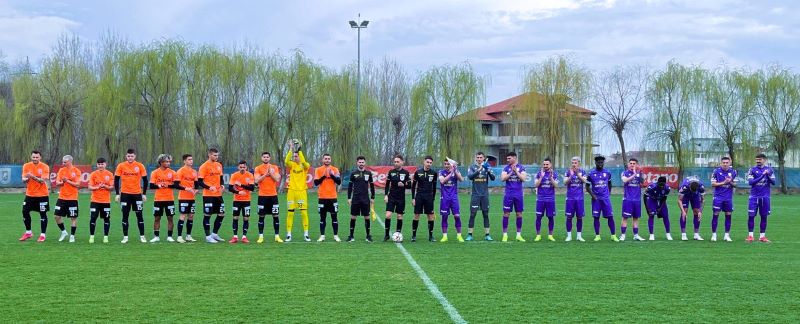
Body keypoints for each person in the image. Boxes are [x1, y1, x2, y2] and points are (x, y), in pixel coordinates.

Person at [115, 148, 148, 243]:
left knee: (139, 215)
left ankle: (142, 236)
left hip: (137, 194)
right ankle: (125, 237)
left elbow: (145, 180)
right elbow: (116, 180)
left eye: (132, 156)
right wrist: (117, 194)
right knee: (125, 215)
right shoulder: (121, 165)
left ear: (135, 156)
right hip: (125, 194)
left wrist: (144, 194)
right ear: (126, 156)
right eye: (128, 156)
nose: (130, 158)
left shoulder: (140, 166)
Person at [149, 154, 184, 243]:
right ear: (161, 162)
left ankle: (169, 236)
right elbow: (151, 186)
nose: (168, 163)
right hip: (158, 199)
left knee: (170, 218)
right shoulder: (155, 172)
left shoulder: (172, 172)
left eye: (169, 161)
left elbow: (176, 185)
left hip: (169, 199)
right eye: (166, 161)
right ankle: (156, 236)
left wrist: (167, 185)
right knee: (157, 218)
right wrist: (159, 185)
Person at [19, 150, 50, 242]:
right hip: (30, 194)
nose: (35, 159)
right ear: (31, 157)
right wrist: (26, 178)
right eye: (33, 157)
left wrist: (32, 176)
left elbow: (42, 180)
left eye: (37, 157)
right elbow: (24, 179)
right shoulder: (26, 166)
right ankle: (28, 232)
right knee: (24, 211)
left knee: (43, 214)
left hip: (42, 195)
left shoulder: (45, 167)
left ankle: (42, 235)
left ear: (40, 158)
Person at [586, 155, 618, 242]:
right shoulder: (591, 173)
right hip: (596, 200)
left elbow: (610, 184)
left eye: (601, 162)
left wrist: (608, 194)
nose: (600, 164)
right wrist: (593, 196)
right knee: (596, 217)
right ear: (595, 163)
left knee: (610, 217)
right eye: (598, 162)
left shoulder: (607, 173)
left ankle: (613, 235)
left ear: (603, 163)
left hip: (605, 199)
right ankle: (597, 235)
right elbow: (587, 187)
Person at [285, 140, 311, 242]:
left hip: (301, 192)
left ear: (300, 156)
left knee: (304, 213)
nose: (295, 158)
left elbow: (304, 162)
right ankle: (288, 234)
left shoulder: (305, 166)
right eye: (294, 156)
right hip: (291, 191)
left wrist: (299, 149)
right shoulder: (292, 165)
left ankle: (306, 234)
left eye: (297, 156)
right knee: (290, 213)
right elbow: (286, 161)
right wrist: (291, 148)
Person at [198, 148, 226, 243]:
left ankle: (214, 234)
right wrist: (209, 187)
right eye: (214, 155)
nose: (216, 157)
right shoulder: (204, 166)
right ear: (209, 155)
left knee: (221, 214)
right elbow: (200, 182)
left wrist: (222, 185)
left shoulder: (219, 165)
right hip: (208, 195)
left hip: (218, 194)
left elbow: (221, 178)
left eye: (217, 155)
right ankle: (208, 236)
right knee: (208, 215)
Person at [254, 152, 283, 243]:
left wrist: (271, 173)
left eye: (267, 157)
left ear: (270, 158)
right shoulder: (258, 168)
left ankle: (277, 236)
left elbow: (277, 179)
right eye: (264, 157)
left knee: (275, 216)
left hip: (273, 196)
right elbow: (256, 180)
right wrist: (265, 175)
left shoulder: (274, 167)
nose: (266, 158)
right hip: (262, 196)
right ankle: (261, 236)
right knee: (261, 216)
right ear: (261, 158)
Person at [746, 153, 775, 243]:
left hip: (765, 197)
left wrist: (768, 176)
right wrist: (762, 175)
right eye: (757, 159)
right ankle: (750, 236)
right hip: (754, 197)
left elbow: (773, 182)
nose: (758, 161)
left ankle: (762, 236)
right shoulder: (752, 170)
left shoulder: (769, 170)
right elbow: (751, 182)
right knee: (751, 216)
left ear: (764, 160)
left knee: (764, 216)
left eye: (760, 159)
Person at [466, 152, 495, 241]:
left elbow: (493, 178)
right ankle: (470, 234)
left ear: (483, 158)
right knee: (472, 214)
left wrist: (488, 170)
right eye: (477, 157)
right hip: (475, 195)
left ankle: (487, 235)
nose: (479, 159)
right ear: (476, 158)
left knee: (485, 214)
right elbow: (470, 177)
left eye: (480, 157)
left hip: (484, 195)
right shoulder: (472, 167)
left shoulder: (487, 167)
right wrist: (478, 170)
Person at [313, 154, 342, 242]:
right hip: (322, 197)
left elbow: (339, 181)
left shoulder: (335, 169)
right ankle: (322, 235)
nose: (327, 160)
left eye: (329, 159)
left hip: (332, 197)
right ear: (323, 160)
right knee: (322, 217)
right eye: (325, 159)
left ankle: (336, 235)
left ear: (331, 160)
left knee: (334, 217)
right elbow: (316, 183)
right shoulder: (318, 170)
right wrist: (324, 176)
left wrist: (332, 175)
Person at [500, 152, 527, 242]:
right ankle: (505, 235)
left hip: (518, 194)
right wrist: (511, 172)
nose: (507, 160)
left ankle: (518, 235)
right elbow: (503, 178)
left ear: (514, 158)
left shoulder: (521, 168)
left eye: (509, 158)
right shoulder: (506, 168)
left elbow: (523, 179)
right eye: (507, 158)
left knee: (519, 214)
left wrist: (516, 172)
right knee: (506, 213)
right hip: (508, 194)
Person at [347, 156, 375, 242]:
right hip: (355, 198)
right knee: (353, 217)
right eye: (360, 162)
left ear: (365, 163)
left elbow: (372, 186)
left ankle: (368, 236)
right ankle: (351, 236)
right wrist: (349, 198)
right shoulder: (353, 173)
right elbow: (350, 186)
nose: (361, 164)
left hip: (365, 198)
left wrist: (372, 197)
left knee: (367, 217)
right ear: (357, 163)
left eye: (362, 162)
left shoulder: (368, 173)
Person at [383, 154, 411, 241]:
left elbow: (409, 185)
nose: (395, 163)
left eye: (397, 162)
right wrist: (386, 195)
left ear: (402, 162)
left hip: (401, 198)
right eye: (394, 162)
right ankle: (386, 235)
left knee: (399, 216)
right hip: (391, 197)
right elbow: (387, 185)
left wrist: (404, 185)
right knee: (388, 215)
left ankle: (398, 234)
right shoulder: (391, 172)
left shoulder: (406, 173)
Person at [54, 155, 81, 242]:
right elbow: (57, 183)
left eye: (65, 162)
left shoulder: (76, 171)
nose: (63, 163)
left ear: (70, 161)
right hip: (62, 197)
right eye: (63, 162)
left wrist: (67, 181)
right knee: (56, 216)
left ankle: (72, 236)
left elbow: (78, 184)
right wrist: (62, 182)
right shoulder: (61, 170)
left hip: (72, 198)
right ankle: (64, 231)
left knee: (73, 218)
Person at [710, 156, 737, 242]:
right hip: (718, 197)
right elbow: (713, 184)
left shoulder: (733, 172)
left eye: (727, 163)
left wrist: (730, 182)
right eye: (723, 163)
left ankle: (727, 235)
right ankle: (714, 235)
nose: (725, 164)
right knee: (715, 215)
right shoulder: (716, 171)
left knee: (728, 215)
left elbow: (735, 185)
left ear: (730, 163)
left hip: (728, 198)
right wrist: (724, 182)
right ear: (721, 163)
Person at [411, 156, 437, 242]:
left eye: (430, 163)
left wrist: (432, 198)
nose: (429, 164)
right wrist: (413, 198)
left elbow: (434, 187)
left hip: (429, 197)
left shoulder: (434, 173)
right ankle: (414, 235)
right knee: (416, 215)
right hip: (419, 196)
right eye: (427, 162)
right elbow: (413, 186)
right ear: (424, 162)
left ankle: (431, 236)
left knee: (430, 216)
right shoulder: (418, 172)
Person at [88, 158, 114, 243]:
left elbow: (111, 188)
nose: (100, 166)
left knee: (106, 219)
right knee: (93, 218)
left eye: (102, 164)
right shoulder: (93, 174)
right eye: (99, 164)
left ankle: (105, 237)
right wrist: (97, 187)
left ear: (105, 164)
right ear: (97, 165)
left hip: (106, 201)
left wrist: (105, 186)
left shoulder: (109, 174)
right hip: (95, 201)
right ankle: (92, 237)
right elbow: (90, 187)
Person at [228, 160, 255, 243]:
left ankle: (244, 237)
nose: (242, 168)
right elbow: (230, 188)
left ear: (246, 167)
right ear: (238, 167)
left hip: (246, 200)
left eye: (244, 167)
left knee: (246, 218)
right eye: (241, 167)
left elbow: (252, 188)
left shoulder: (250, 175)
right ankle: (235, 237)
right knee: (235, 218)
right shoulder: (234, 175)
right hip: (237, 200)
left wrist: (241, 185)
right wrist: (238, 192)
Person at [175, 154, 199, 243]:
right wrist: (186, 188)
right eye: (189, 159)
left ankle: (188, 236)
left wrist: (196, 190)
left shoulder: (194, 172)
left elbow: (196, 184)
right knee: (183, 215)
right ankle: (179, 237)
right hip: (183, 197)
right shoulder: (180, 171)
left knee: (191, 216)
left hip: (192, 198)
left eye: (192, 159)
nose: (191, 161)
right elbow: (176, 185)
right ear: (184, 161)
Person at [439, 158, 464, 242]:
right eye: (445, 164)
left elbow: (461, 179)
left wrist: (455, 170)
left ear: (451, 165)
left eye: (448, 164)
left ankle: (459, 236)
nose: (446, 165)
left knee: (457, 216)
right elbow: (442, 181)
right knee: (444, 216)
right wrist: (451, 173)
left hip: (454, 197)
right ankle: (445, 236)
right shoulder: (441, 172)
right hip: (444, 198)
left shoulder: (455, 171)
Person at [620, 158, 646, 241]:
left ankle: (636, 235)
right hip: (627, 199)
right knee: (625, 217)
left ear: (636, 165)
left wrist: (640, 174)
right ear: (628, 164)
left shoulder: (639, 173)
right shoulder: (625, 173)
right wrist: (634, 175)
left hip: (637, 200)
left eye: (634, 163)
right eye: (630, 163)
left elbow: (643, 182)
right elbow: (624, 180)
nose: (632, 165)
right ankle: (623, 235)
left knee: (636, 218)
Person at [563, 157, 588, 242]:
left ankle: (579, 236)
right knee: (569, 217)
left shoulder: (583, 172)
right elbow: (565, 183)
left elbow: (585, 181)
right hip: (570, 199)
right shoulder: (568, 172)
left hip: (579, 199)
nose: (574, 164)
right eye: (573, 163)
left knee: (579, 217)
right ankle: (569, 236)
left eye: (575, 163)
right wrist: (571, 175)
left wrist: (577, 174)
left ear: (579, 163)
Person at [534, 157, 558, 242]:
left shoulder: (554, 174)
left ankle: (550, 235)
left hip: (550, 199)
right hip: (540, 199)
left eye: (547, 164)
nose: (545, 166)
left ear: (550, 165)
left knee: (550, 217)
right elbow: (536, 185)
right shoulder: (539, 174)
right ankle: (538, 235)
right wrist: (541, 177)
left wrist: (551, 178)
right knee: (538, 217)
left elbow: (556, 186)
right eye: (544, 164)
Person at [644, 176, 673, 241]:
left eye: (663, 185)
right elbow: (645, 196)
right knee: (651, 216)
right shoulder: (651, 187)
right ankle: (651, 235)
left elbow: (664, 198)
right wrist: (647, 209)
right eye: (660, 185)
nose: (661, 187)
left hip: (661, 201)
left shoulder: (667, 188)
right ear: (658, 182)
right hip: (652, 200)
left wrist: (660, 208)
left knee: (665, 216)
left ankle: (668, 234)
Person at [677, 176, 706, 241]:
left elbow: (703, 200)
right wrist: (683, 212)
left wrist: (700, 211)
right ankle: (683, 235)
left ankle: (696, 235)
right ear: (689, 186)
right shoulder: (684, 187)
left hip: (695, 196)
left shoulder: (701, 187)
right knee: (684, 212)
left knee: (697, 212)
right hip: (686, 195)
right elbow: (679, 200)